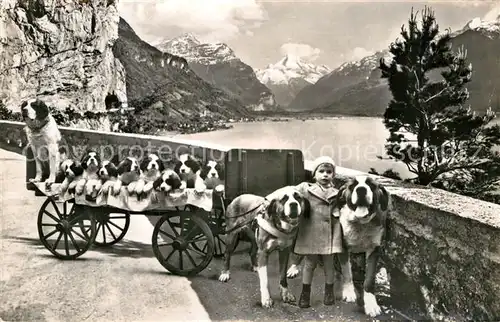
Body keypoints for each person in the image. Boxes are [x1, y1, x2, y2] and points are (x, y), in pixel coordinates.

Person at [293, 156, 343, 308]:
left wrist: (337, 213)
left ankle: (329, 292)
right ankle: (305, 294)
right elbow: (289, 193)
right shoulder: (305, 188)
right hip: (312, 231)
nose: (325, 175)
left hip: (330, 232)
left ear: (333, 175)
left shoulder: (337, 192)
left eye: (329, 171)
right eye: (321, 171)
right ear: (314, 174)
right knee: (309, 263)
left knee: (329, 264)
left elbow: (344, 206)